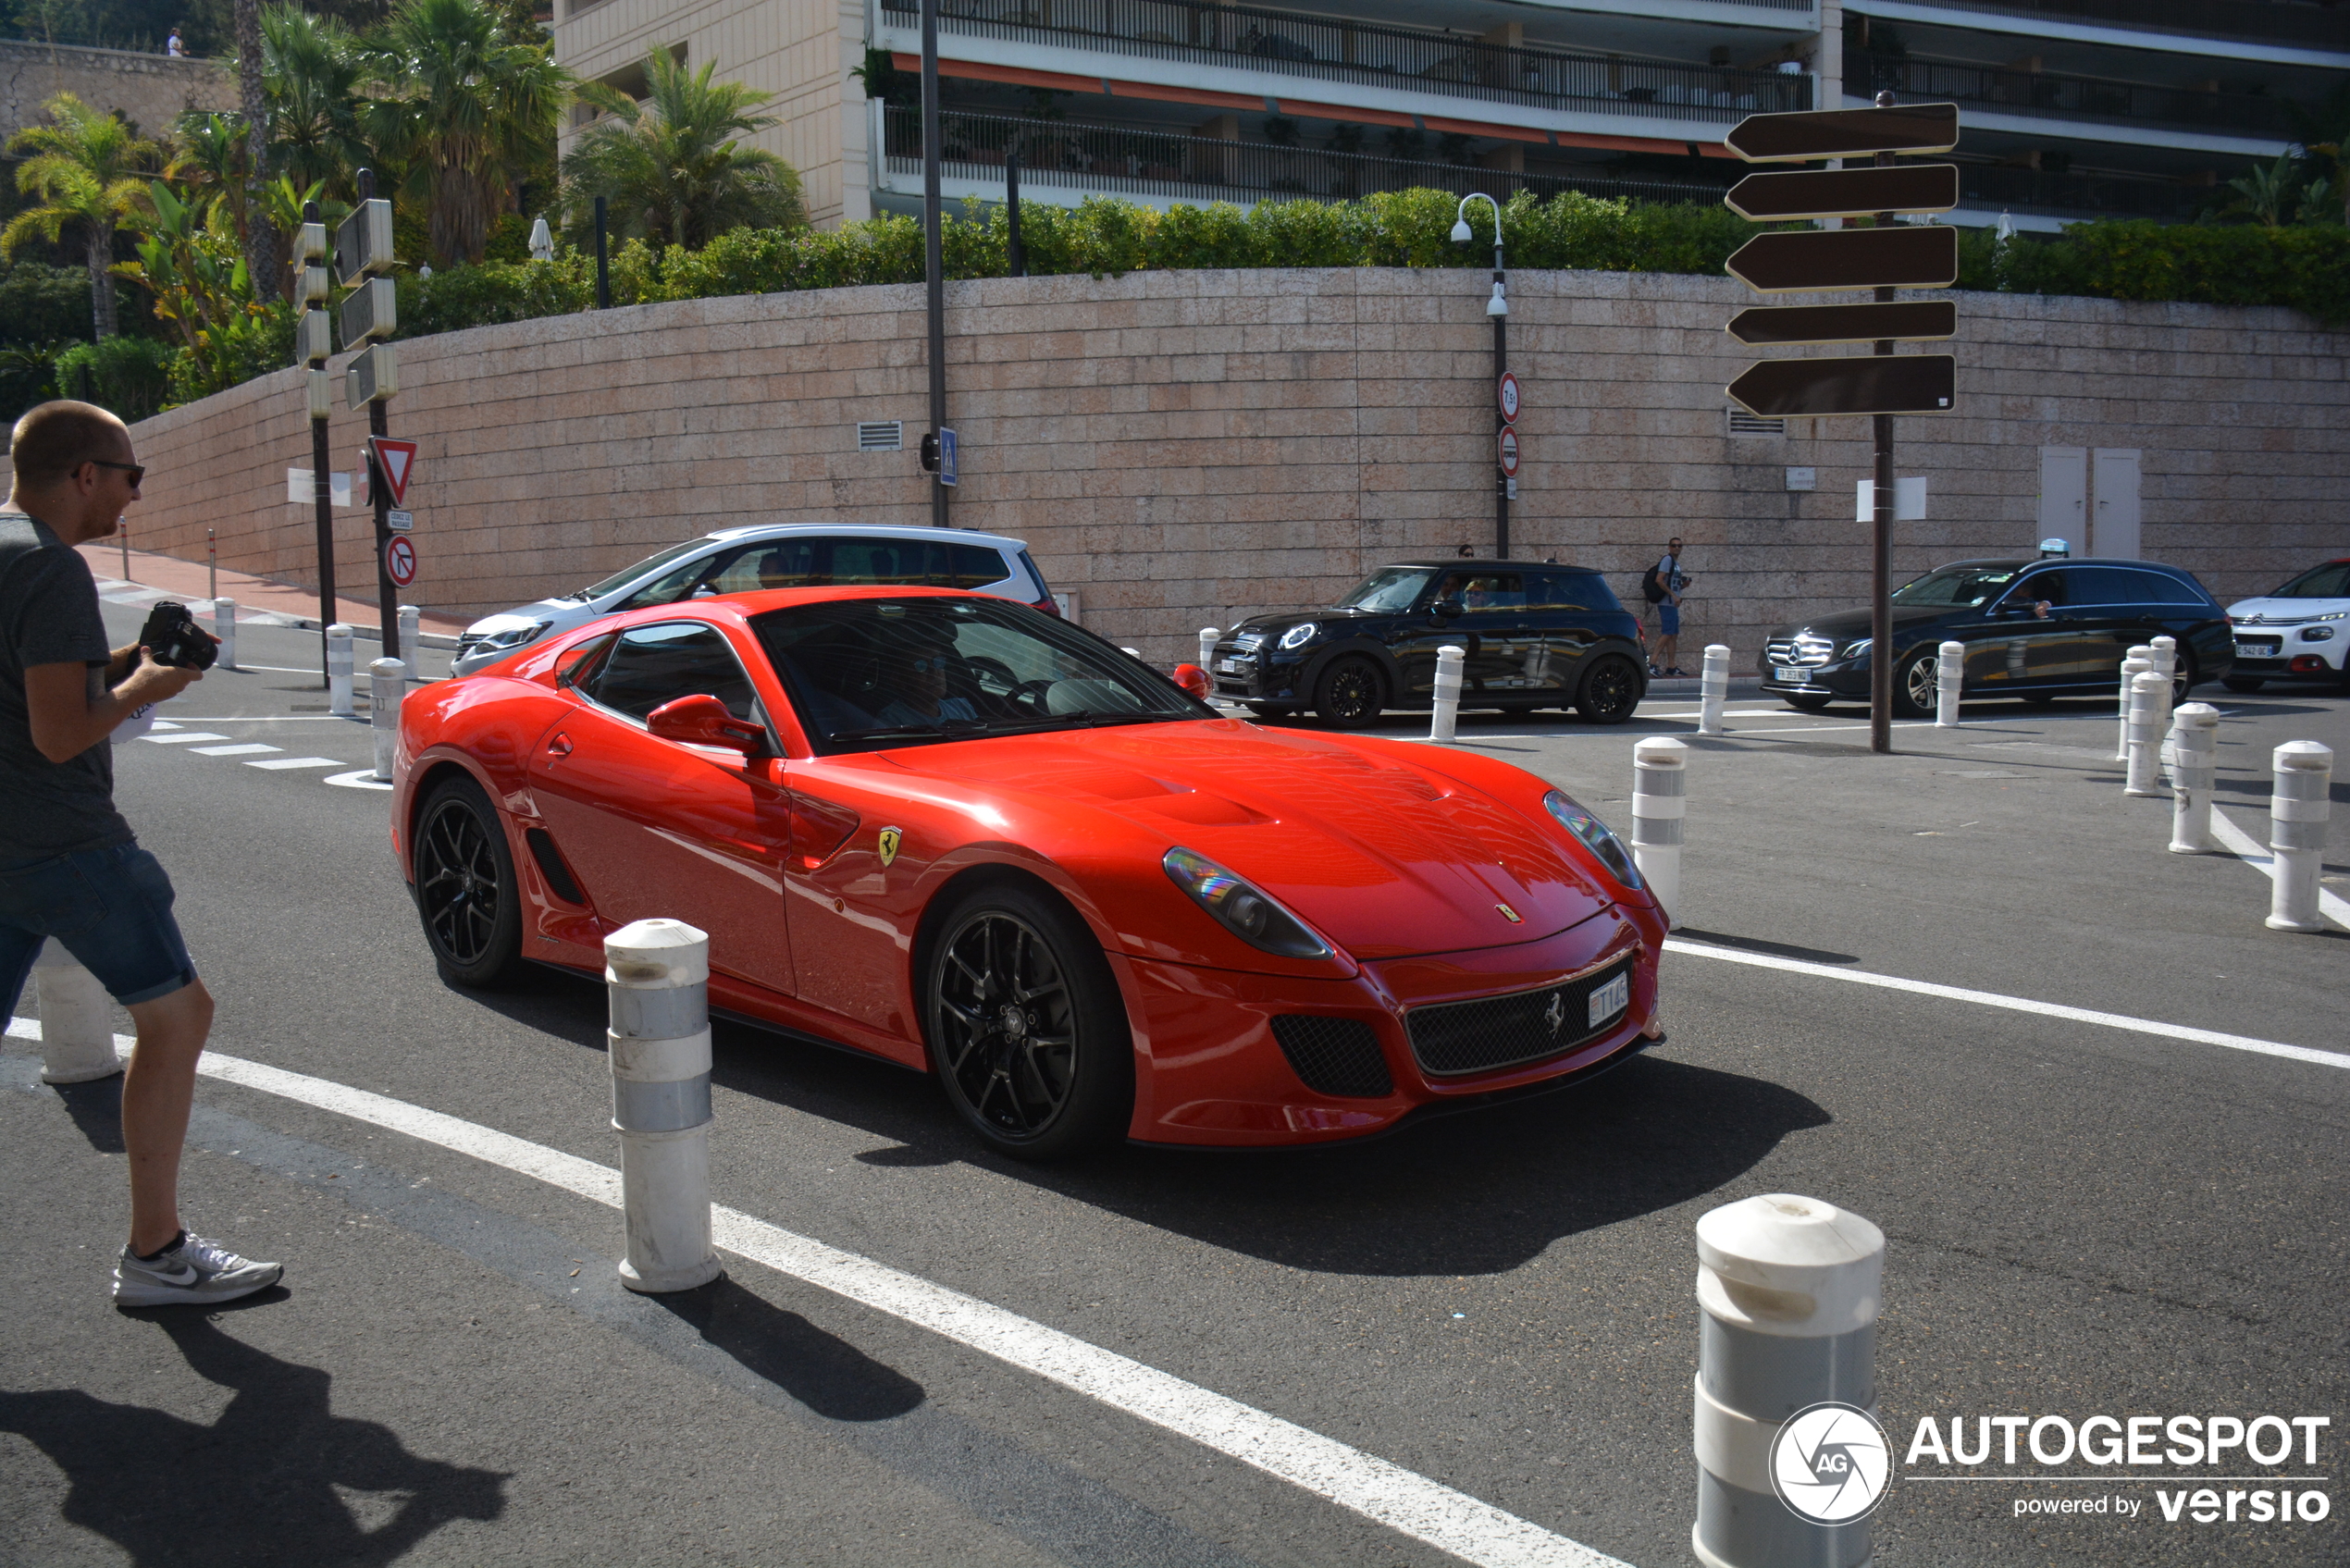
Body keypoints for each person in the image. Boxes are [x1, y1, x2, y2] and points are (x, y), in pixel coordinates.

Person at [0, 401, 281, 1308]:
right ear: (85, 476)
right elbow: (58, 730)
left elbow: (35, 679)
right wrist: (154, 681)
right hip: (64, 842)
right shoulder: (51, 569)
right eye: (131, 475)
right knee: (177, 1017)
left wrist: (127, 654)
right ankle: (156, 1255)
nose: (134, 492)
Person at [1642, 537, 1690, 676]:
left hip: (1672, 603)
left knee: (1673, 635)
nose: (1676, 548)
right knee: (1667, 633)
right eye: (1674, 545)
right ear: (1669, 547)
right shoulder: (1667, 560)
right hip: (1666, 603)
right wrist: (1673, 595)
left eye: (1679, 546)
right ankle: (1652, 664)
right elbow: (1659, 580)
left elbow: (1673, 585)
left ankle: (1671, 666)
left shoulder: (1676, 564)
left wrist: (1683, 586)